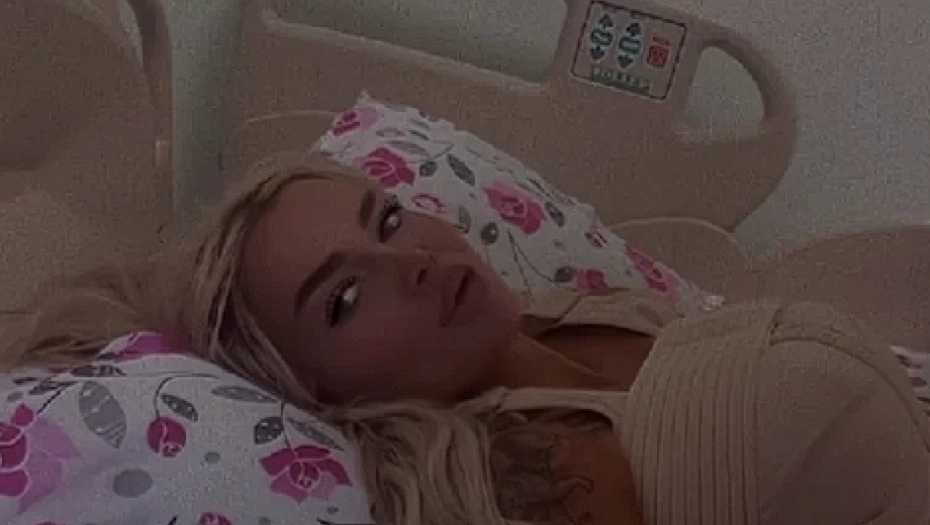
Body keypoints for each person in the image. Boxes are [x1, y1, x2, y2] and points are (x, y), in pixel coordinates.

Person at [3, 151, 929, 525]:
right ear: (320, 393)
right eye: (345, 296)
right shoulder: (537, 474)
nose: (410, 259)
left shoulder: (566, 307)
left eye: (388, 218)